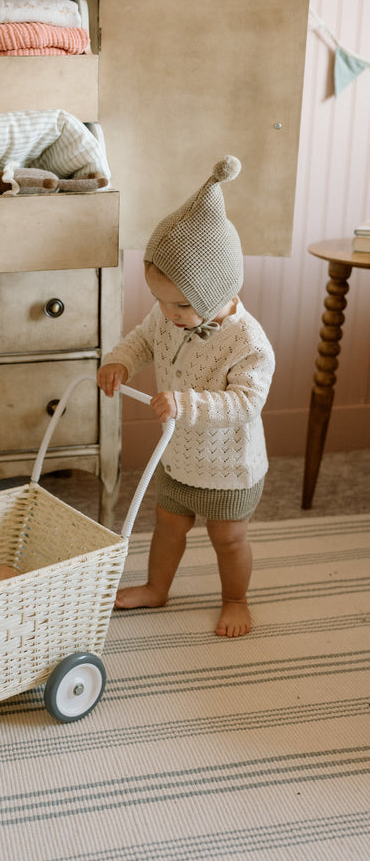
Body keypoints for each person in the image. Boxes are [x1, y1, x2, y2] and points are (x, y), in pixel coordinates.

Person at [97, 155, 275, 638]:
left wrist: (186, 404)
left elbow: (245, 403)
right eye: (160, 300)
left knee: (228, 537)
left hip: (229, 467)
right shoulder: (169, 317)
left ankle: (235, 599)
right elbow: (143, 339)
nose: (168, 313)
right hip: (178, 458)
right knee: (168, 525)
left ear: (220, 290)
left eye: (179, 304)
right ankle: (157, 587)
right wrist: (120, 360)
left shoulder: (248, 343)